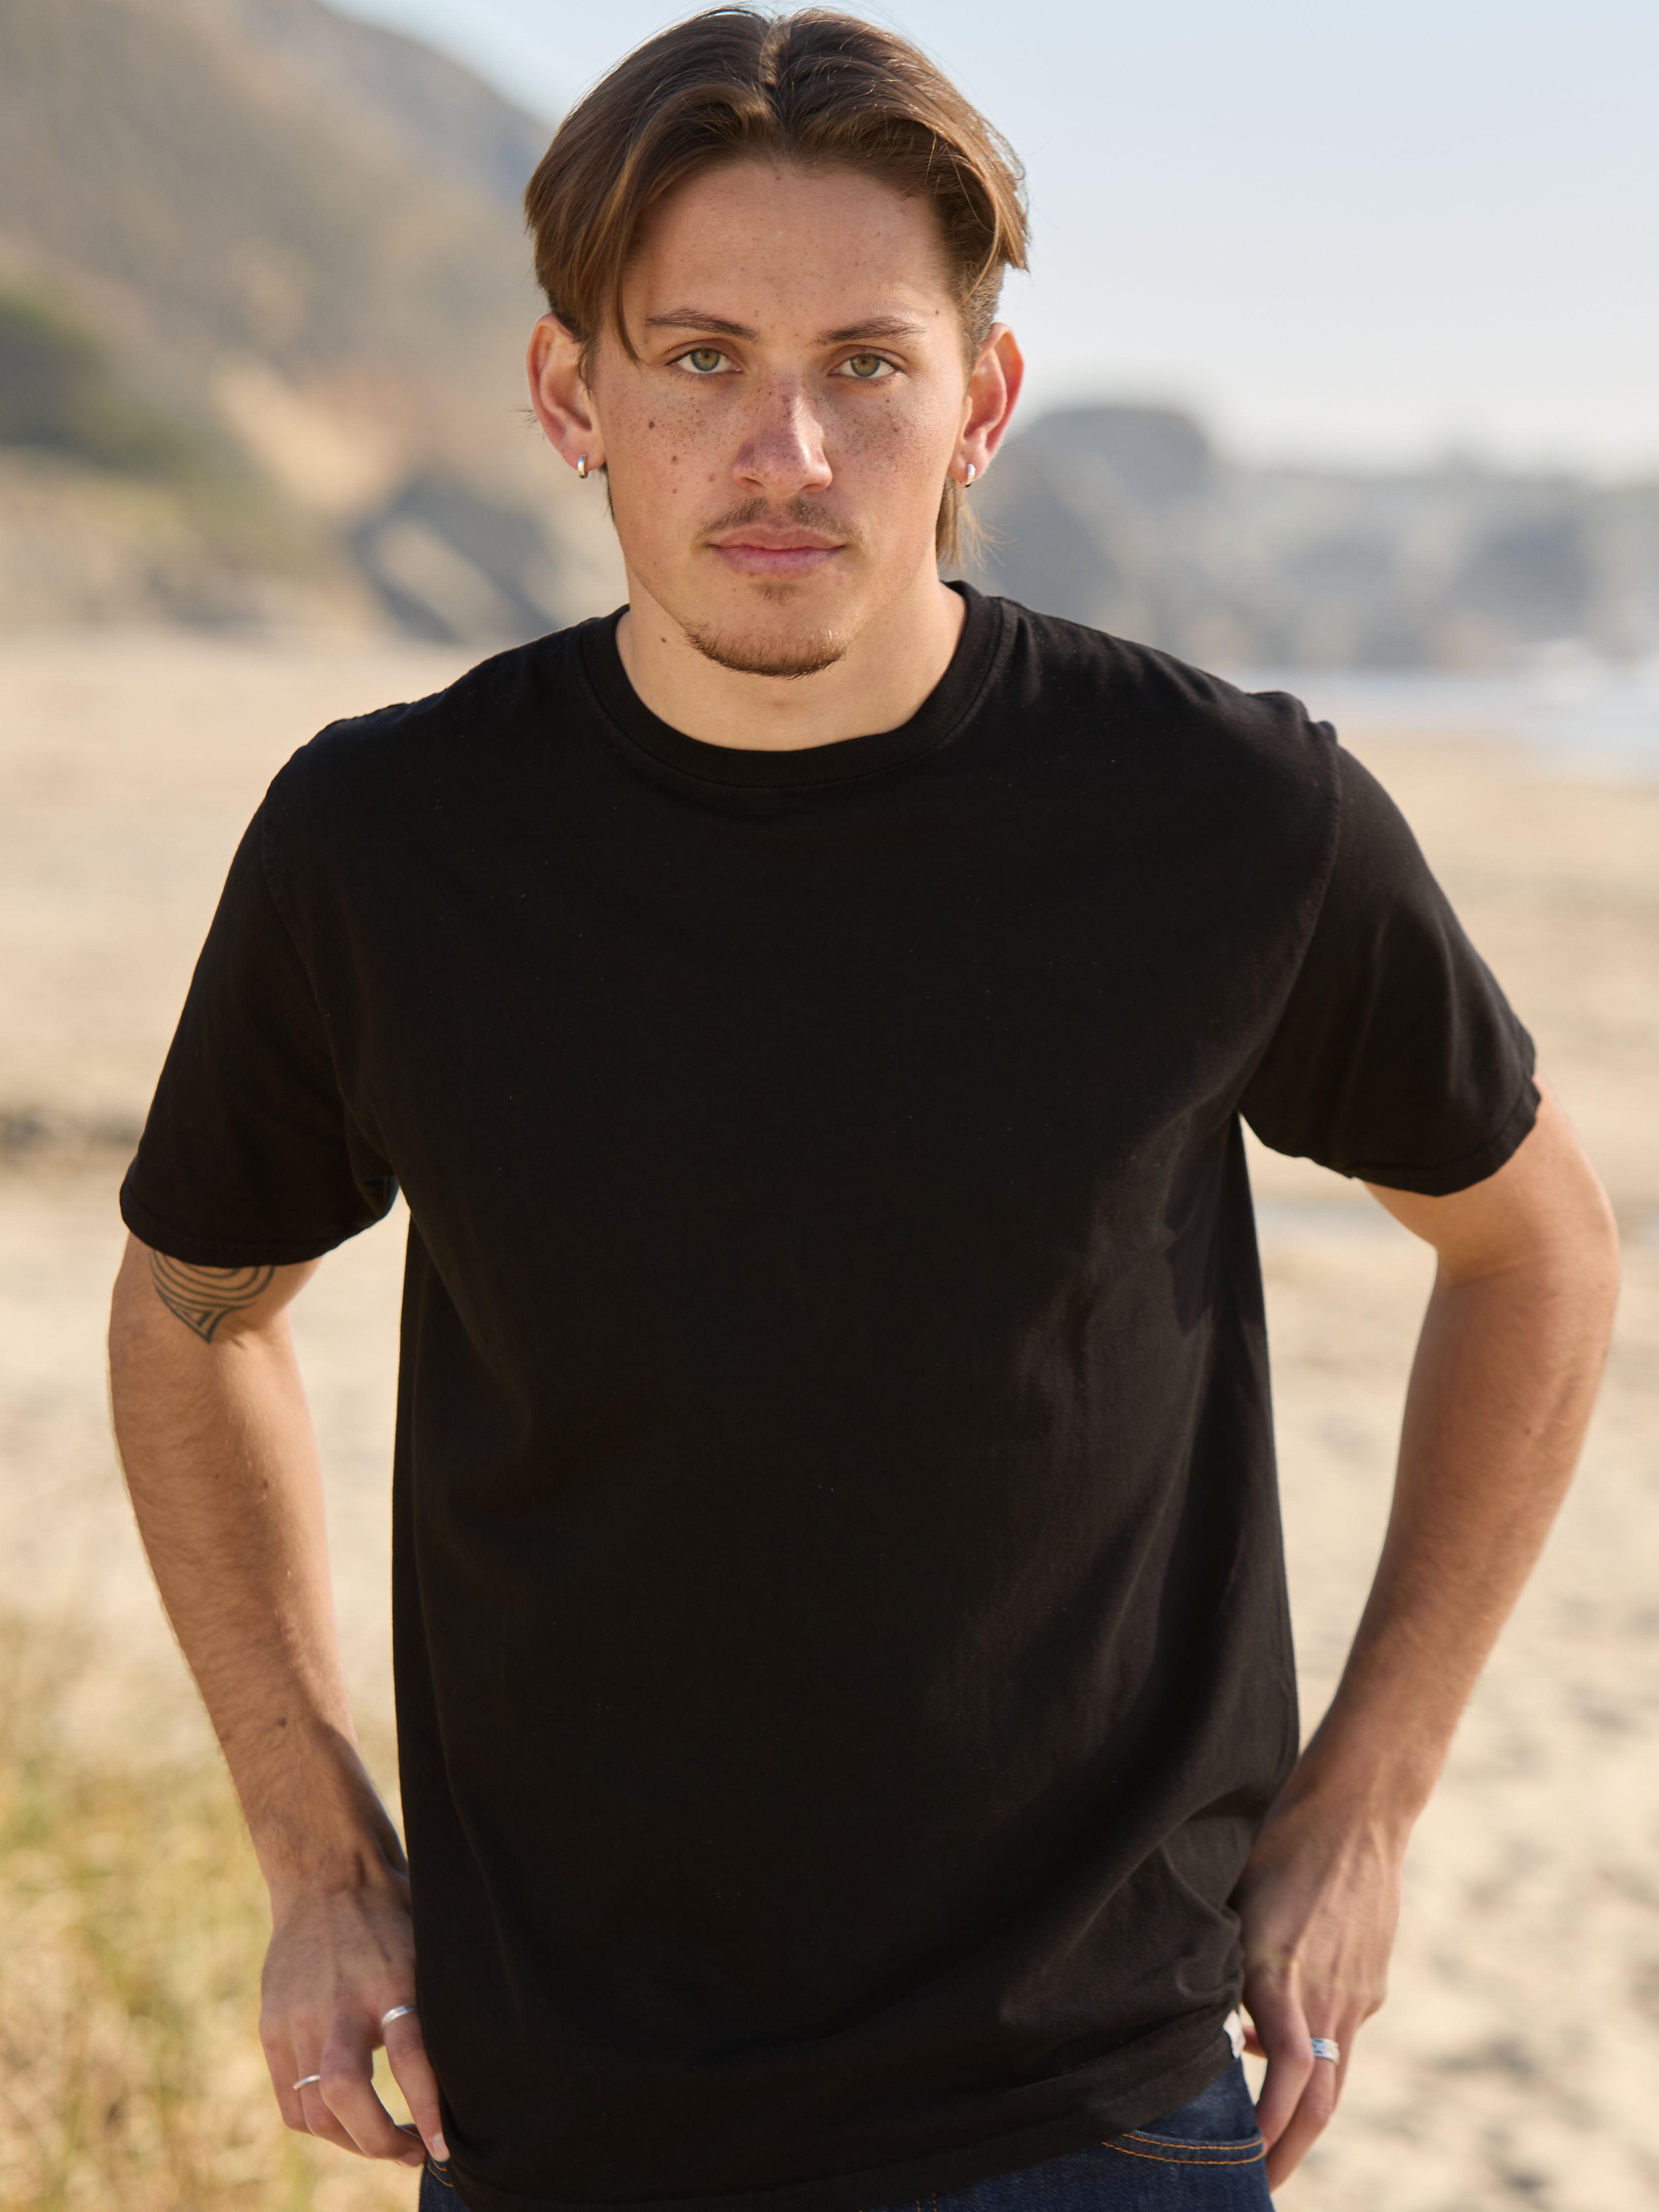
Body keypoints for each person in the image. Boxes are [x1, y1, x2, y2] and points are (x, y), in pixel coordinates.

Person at [107, 10, 1619, 2210]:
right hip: (559, 2123)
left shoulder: (1220, 821)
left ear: (977, 401)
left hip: (1087, 2115)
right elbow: (192, 1311)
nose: (785, 450)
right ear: (571, 395)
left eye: (868, 365)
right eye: (700, 358)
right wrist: (316, 1855)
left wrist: (1366, 1802)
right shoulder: (388, 848)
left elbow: (1534, 1247)